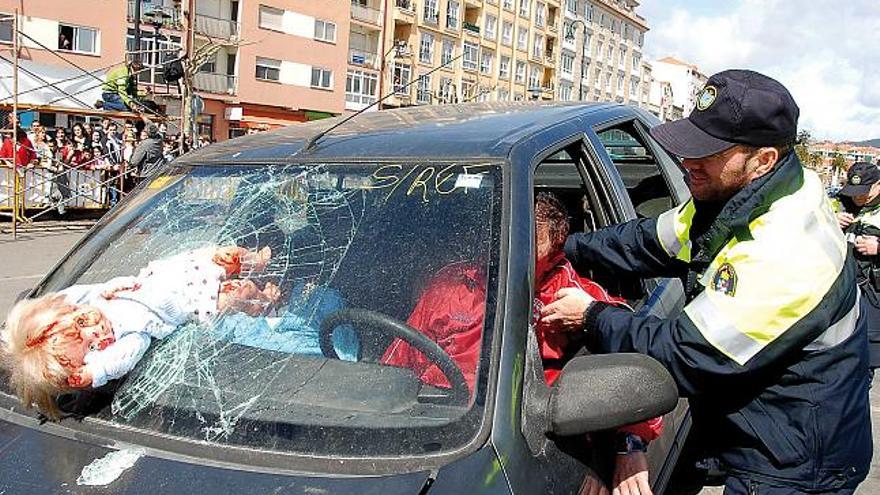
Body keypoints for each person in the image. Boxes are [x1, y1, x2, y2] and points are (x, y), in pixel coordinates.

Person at [541, 70, 872, 494]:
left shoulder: (787, 248)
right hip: (762, 422)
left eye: (707, 152)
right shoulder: (745, 194)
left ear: (763, 159)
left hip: (795, 460)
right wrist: (558, 247)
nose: (687, 163)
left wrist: (591, 315)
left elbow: (686, 356)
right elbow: (647, 241)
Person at [1, 245, 277, 420]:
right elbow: (120, 359)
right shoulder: (131, 333)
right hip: (190, 303)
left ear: (75, 309)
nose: (96, 333)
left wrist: (29, 325)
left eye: (84, 322)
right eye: (92, 348)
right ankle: (266, 300)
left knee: (225, 256)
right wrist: (90, 374)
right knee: (238, 296)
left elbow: (64, 298)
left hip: (173, 274)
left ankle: (257, 260)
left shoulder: (93, 299)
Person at [532, 192, 662, 495]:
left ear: (555, 251)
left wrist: (622, 447)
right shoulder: (453, 284)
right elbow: (402, 359)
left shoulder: (578, 302)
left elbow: (634, 367)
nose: (512, 250)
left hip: (547, 434)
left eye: (530, 244)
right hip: (450, 426)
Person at [835, 161, 880, 373]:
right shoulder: (839, 204)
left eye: (864, 192)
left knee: (865, 363)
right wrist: (830, 222)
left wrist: (878, 248)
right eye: (854, 192)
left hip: (873, 297)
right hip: (842, 292)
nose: (858, 197)